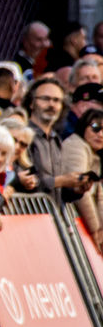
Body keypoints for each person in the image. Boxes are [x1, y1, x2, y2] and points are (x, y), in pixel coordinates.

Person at [22, 77, 90, 206]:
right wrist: (60, 181)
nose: (52, 105)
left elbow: (60, 192)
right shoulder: (24, 136)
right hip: (29, 217)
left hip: (53, 219)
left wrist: (77, 189)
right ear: (31, 103)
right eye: (45, 99)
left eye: (57, 100)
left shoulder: (56, 139)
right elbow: (21, 182)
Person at [63, 109, 103, 254]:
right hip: (67, 222)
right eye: (95, 128)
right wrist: (95, 230)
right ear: (83, 127)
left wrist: (100, 229)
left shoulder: (93, 154)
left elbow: (99, 196)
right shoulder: (76, 146)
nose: (100, 134)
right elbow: (81, 190)